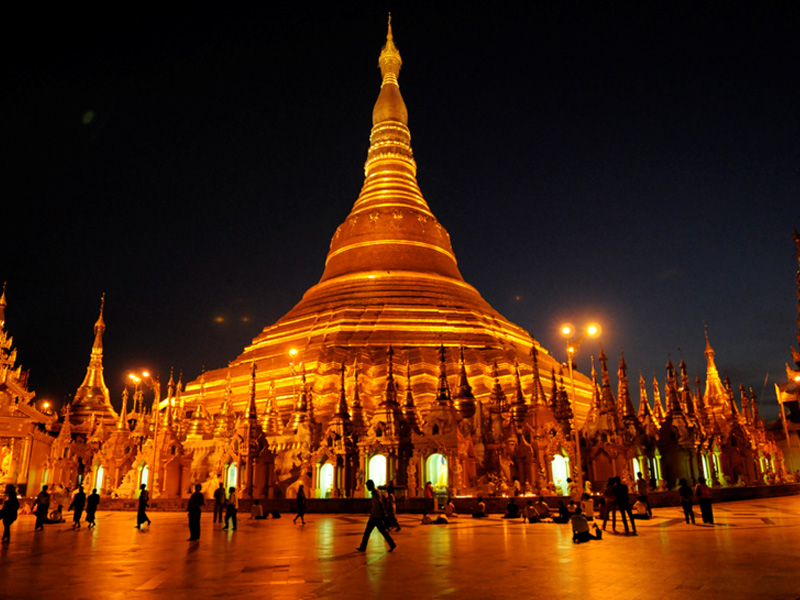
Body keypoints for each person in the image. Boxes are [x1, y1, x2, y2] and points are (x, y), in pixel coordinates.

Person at [356, 479, 396, 552]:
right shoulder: (376, 492)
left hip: (375, 516)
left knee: (368, 532)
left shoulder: (375, 493)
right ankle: (392, 544)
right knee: (381, 532)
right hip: (375, 515)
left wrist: (383, 514)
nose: (367, 488)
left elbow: (380, 503)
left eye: (367, 486)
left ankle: (363, 547)